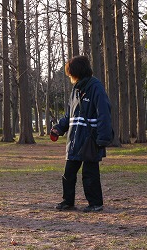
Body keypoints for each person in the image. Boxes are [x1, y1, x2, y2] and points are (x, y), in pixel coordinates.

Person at [50, 55, 113, 213]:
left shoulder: (96, 87)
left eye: (70, 73)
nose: (70, 76)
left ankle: (95, 203)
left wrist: (103, 138)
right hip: (74, 139)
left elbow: (104, 113)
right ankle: (68, 201)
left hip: (90, 140)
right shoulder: (76, 89)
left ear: (77, 72)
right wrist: (59, 128)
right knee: (68, 173)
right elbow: (69, 115)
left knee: (90, 174)